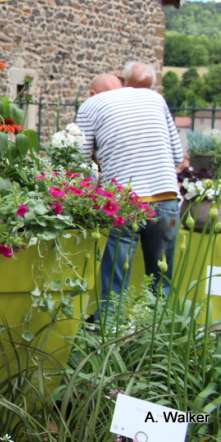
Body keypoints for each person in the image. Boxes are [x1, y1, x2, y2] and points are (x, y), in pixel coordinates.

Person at [75, 73, 184, 321]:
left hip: (124, 203)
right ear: (121, 85)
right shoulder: (155, 98)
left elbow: (79, 163)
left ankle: (110, 337)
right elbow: (177, 157)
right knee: (161, 280)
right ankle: (156, 335)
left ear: (93, 93)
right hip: (166, 198)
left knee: (115, 283)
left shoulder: (90, 105)